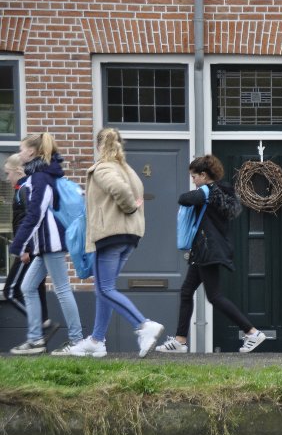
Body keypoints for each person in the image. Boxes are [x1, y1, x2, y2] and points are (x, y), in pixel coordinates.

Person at [156, 154, 265, 354]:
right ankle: (180, 340)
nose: (193, 180)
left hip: (208, 249)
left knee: (214, 296)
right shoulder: (220, 192)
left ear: (204, 175)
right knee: (187, 291)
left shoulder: (207, 191)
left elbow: (184, 198)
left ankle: (252, 332)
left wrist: (201, 190)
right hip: (204, 250)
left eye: (194, 176)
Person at [69, 128, 164, 358]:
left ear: (100, 146)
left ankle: (143, 325)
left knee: (105, 288)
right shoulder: (127, 169)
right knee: (105, 290)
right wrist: (132, 207)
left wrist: (129, 206)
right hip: (129, 237)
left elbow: (120, 190)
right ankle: (97, 340)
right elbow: (135, 192)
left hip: (110, 235)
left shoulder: (103, 167)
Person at [9, 133, 84, 355]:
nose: (20, 152)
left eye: (22, 149)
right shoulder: (39, 174)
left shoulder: (40, 177)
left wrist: (19, 245)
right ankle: (35, 340)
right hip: (43, 244)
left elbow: (35, 214)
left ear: (32, 152)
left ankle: (76, 340)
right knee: (27, 287)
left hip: (50, 242)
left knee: (61, 289)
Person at [2, 153, 57, 343]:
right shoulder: (23, 188)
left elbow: (28, 218)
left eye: (8, 173)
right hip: (30, 247)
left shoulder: (24, 189)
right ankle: (43, 323)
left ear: (18, 171)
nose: (6, 178)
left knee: (10, 291)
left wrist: (24, 248)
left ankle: (40, 326)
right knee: (36, 287)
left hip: (27, 249)